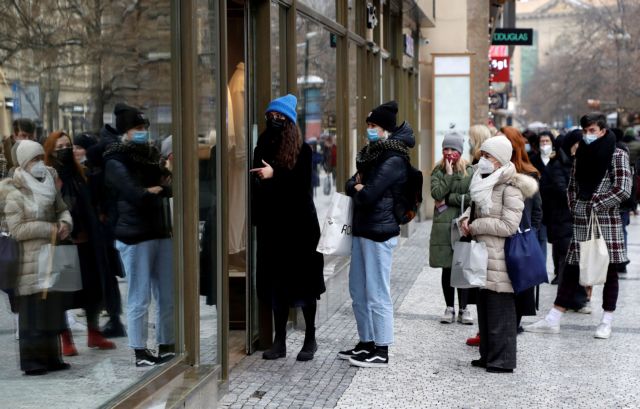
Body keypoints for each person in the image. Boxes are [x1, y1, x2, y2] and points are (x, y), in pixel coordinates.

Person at [525, 113, 632, 339]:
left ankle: (607, 320)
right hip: (582, 220)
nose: (587, 135)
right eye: (585, 131)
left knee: (609, 270)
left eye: (592, 131)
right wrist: (574, 206)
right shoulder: (581, 152)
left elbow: (623, 188)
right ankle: (554, 317)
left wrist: (596, 203)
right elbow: (572, 185)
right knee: (571, 269)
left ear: (603, 130)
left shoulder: (617, 154)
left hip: (606, 221)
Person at [338, 100, 414, 368]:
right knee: (358, 289)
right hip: (362, 229)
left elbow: (368, 194)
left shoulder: (393, 158)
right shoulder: (371, 154)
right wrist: (357, 187)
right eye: (368, 125)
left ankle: (381, 348)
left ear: (386, 130)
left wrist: (360, 188)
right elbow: (350, 183)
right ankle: (366, 341)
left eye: (374, 126)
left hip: (379, 231)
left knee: (377, 291)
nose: (369, 130)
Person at [250, 94, 325, 361]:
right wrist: (261, 182)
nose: (274, 120)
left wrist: (274, 175)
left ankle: (310, 338)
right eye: (271, 116)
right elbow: (257, 188)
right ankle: (279, 341)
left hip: (300, 230)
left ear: (290, 121)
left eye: (280, 117)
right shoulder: (261, 148)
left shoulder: (303, 151)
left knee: (304, 286)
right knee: (277, 286)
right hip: (273, 229)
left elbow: (300, 188)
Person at [458, 135, 537, 373]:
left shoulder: (511, 186)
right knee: (485, 309)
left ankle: (502, 360)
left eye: (488, 156)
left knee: (500, 309)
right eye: (482, 154)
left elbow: (508, 226)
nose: (482, 159)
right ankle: (488, 355)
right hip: (483, 255)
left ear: (500, 159)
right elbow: (475, 209)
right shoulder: (482, 180)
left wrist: (477, 226)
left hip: (501, 258)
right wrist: (465, 220)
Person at [104, 105, 175, 366]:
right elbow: (136, 194)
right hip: (134, 236)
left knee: (167, 294)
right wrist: (154, 189)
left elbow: (168, 184)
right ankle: (139, 350)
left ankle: (168, 343)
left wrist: (157, 188)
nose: (143, 132)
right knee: (139, 296)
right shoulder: (115, 159)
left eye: (145, 128)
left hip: (160, 231)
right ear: (125, 131)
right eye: (138, 128)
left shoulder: (151, 154)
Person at [4, 140, 74, 375]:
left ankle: (53, 357)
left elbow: (61, 208)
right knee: (32, 313)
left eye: (41, 158)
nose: (39, 163)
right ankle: (33, 362)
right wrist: (50, 229)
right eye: (34, 159)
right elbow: (17, 229)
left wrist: (65, 223)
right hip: (29, 261)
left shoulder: (49, 183)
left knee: (51, 310)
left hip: (52, 256)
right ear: (23, 163)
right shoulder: (13, 190)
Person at [43, 131, 116, 356]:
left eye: (68, 145)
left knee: (93, 290)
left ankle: (93, 332)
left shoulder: (80, 173)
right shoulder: (48, 176)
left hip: (87, 241)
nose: (65, 150)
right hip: (64, 243)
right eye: (60, 147)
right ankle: (65, 338)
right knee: (64, 293)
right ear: (51, 151)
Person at [429, 132, 474, 324]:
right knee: (447, 268)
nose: (449, 153)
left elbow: (472, 197)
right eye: (446, 149)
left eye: (453, 149)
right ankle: (449, 307)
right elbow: (436, 193)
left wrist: (449, 199)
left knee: (462, 267)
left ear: (460, 152)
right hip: (443, 226)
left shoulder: (470, 171)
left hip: (462, 224)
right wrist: (447, 176)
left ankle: (464, 309)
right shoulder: (437, 171)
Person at [501, 127, 543, 333]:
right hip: (497, 237)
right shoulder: (491, 169)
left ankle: (512, 325)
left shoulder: (529, 173)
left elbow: (537, 210)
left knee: (518, 285)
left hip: (520, 239)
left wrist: (529, 234)